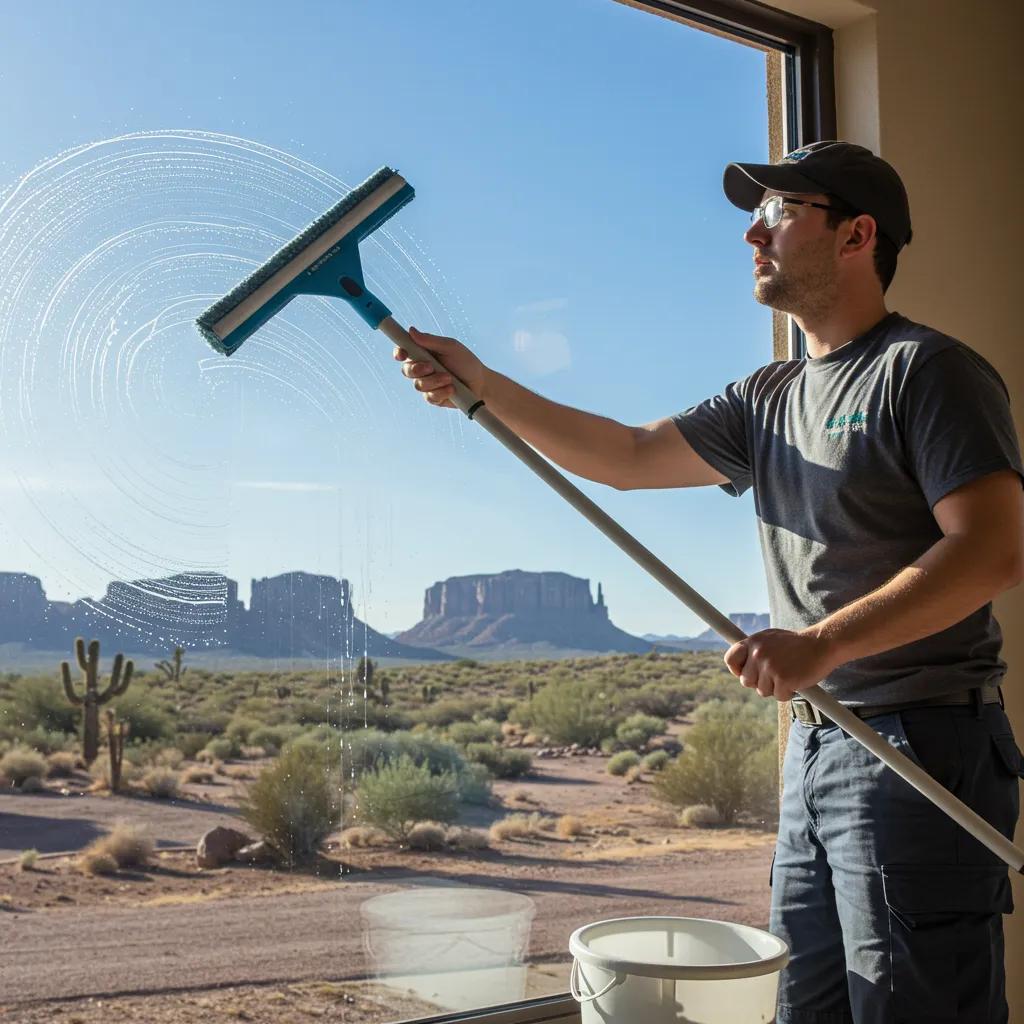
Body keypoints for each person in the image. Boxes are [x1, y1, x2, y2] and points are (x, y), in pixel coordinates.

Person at [393, 141, 1024, 1023]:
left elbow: (992, 549)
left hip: (915, 750)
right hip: (815, 749)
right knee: (806, 1009)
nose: (750, 235)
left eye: (778, 211)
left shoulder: (925, 371)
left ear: (857, 235)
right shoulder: (767, 396)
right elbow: (627, 455)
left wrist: (821, 643)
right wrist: (484, 385)